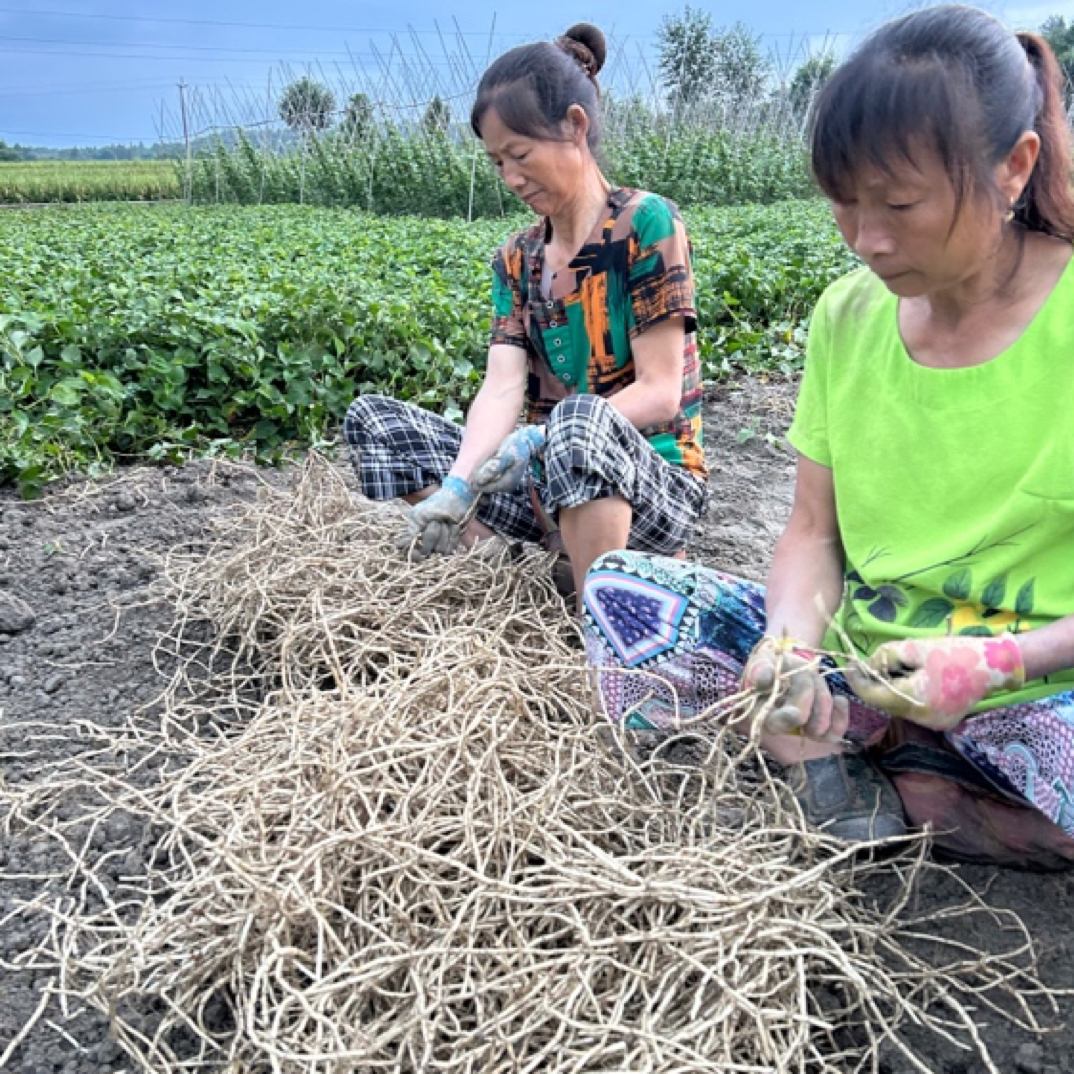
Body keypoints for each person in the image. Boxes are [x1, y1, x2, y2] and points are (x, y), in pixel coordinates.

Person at [581, 5, 1074, 869]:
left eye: (900, 203)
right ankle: (881, 769)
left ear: (1014, 168)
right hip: (872, 665)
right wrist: (788, 646)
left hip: (1040, 684)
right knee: (626, 594)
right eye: (844, 203)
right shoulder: (848, 317)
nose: (866, 239)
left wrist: (996, 664)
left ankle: (911, 795)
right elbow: (812, 532)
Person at [344, 23, 708, 600]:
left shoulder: (645, 224)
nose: (511, 178)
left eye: (520, 155)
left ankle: (608, 614)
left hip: (650, 483)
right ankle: (519, 578)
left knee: (578, 422)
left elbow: (662, 391)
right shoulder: (517, 258)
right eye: (496, 163)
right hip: (544, 482)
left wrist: (540, 439)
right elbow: (500, 389)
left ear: (575, 127)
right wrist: (460, 486)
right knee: (377, 423)